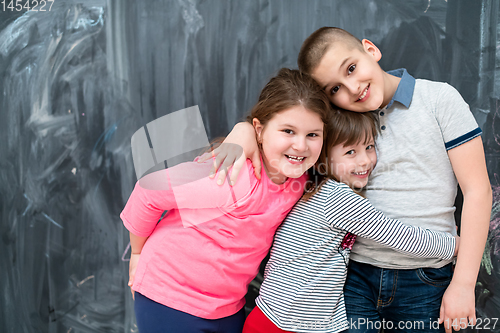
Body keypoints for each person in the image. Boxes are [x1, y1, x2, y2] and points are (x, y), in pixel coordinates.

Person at [199, 27, 492, 332]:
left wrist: (464, 282)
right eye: (335, 89)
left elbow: (478, 191)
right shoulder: (335, 121)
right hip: (353, 278)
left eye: (351, 68)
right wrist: (243, 130)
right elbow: (284, 123)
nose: (352, 88)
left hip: (424, 276)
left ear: (370, 49)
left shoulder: (438, 99)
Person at [120, 68, 331, 333]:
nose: (301, 145)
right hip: (169, 296)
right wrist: (137, 254)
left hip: (225, 307)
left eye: (312, 135)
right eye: (288, 131)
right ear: (259, 129)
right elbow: (148, 191)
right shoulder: (232, 174)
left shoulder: (300, 183)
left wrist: (243, 131)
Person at [242, 110, 460, 333]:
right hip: (285, 324)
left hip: (277, 315)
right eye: (350, 152)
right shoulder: (337, 198)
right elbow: (400, 236)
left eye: (369, 147)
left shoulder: (316, 188)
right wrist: (455, 245)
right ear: (322, 160)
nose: (365, 160)